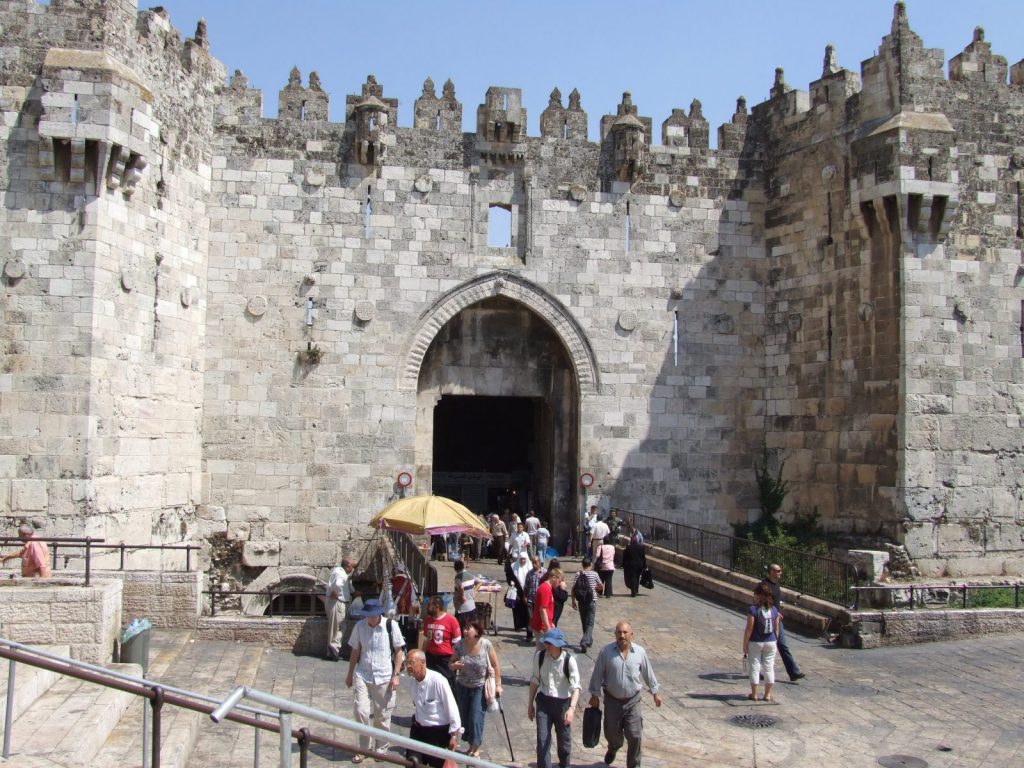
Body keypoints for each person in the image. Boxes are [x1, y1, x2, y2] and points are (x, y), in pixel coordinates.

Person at [587, 621, 662, 768]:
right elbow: (597, 674)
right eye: (619, 632)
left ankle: (633, 765)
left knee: (635, 735)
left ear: (631, 635)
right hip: (612, 701)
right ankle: (614, 747)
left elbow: (648, 673)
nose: (622, 635)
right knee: (611, 733)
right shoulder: (606, 652)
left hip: (632, 701)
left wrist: (655, 692)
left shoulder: (640, 652)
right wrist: (595, 694)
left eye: (625, 632)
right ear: (615, 634)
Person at [345, 599, 406, 762]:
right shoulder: (360, 627)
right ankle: (364, 748)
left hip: (384, 675)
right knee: (361, 711)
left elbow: (399, 651)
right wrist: (350, 673)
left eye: (373, 615)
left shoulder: (391, 626)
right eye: (369, 615)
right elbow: (355, 651)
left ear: (379, 614)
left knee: (382, 715)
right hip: (363, 673)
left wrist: (396, 674)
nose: (371, 618)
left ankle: (381, 748)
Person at [528, 628, 581, 768]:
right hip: (543, 702)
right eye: (546, 643)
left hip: (563, 704)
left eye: (550, 643)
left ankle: (564, 765)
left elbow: (576, 687)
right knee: (542, 739)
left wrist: (571, 709)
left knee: (564, 742)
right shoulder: (539, 657)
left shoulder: (569, 661)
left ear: (558, 645)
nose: (547, 646)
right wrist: (530, 704)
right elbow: (534, 680)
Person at [449, 618, 502, 758]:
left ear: (477, 630)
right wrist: (454, 666)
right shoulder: (459, 645)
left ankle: (476, 747)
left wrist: (498, 685)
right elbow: (451, 663)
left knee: (476, 716)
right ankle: (470, 745)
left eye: (469, 628)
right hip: (462, 686)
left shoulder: (486, 645)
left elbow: (495, 665)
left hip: (479, 686)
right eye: (465, 628)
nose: (465, 631)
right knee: (465, 717)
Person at [404, 649, 462, 768]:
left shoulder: (438, 681)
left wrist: (454, 736)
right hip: (418, 730)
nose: (408, 667)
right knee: (412, 762)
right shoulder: (412, 680)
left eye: (411, 663)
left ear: (422, 663)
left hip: (438, 733)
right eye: (407, 663)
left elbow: (452, 709)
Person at [759, 564, 805, 681]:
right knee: (764, 645)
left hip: (777, 620)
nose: (780, 573)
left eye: (780, 570)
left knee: (782, 645)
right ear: (771, 572)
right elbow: (760, 601)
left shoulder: (776, 584)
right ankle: (757, 670)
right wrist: (773, 612)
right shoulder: (764, 585)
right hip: (768, 619)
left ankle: (793, 672)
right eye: (778, 571)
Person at [742, 583, 780, 702]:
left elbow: (749, 628)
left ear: (758, 595)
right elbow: (776, 628)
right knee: (769, 667)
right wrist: (775, 640)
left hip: (755, 641)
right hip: (771, 641)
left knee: (755, 667)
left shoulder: (753, 609)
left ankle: (754, 694)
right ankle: (767, 694)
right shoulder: (774, 609)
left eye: (755, 594)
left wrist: (745, 644)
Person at [421, 596, 460, 690]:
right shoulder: (428, 620)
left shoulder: (451, 620)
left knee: (446, 686)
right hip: (431, 657)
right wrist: (421, 656)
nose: (427, 607)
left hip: (445, 660)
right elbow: (426, 641)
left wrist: (454, 661)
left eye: (429, 605)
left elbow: (457, 645)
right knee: (430, 684)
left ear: (437, 606)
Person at [325, 556, 356, 660]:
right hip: (338, 603)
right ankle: (332, 650)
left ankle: (334, 648)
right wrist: (335, 592)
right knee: (336, 628)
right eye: (352, 567)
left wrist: (354, 592)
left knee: (341, 626)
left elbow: (347, 587)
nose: (353, 569)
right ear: (348, 566)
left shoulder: (343, 573)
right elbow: (338, 584)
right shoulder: (340, 573)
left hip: (341, 602)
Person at [571, 557, 602, 653]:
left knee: (584, 622)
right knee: (590, 623)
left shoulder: (578, 574)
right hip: (591, 600)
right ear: (590, 565)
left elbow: (573, 588)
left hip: (581, 601)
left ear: (582, 565)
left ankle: (589, 640)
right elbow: (601, 585)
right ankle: (585, 641)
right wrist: (595, 589)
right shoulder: (595, 574)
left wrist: (573, 601)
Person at [531, 567, 563, 642]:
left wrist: (550, 623)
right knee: (544, 648)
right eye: (559, 581)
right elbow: (542, 610)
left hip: (543, 625)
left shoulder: (547, 587)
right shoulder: (545, 589)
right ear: (554, 578)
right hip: (542, 627)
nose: (559, 583)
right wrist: (548, 628)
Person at [507, 552, 532, 638]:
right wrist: (510, 582)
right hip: (517, 591)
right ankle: (518, 625)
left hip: (527, 591)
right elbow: (509, 576)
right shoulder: (513, 566)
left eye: (524, 559)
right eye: (521, 559)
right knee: (517, 609)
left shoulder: (530, 567)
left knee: (527, 610)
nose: (523, 561)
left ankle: (528, 626)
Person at [453, 559, 478, 630]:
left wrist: (462, 596)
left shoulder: (457, 578)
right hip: (472, 607)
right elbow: (480, 582)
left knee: (462, 628)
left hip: (462, 609)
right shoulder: (471, 575)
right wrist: (474, 591)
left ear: (455, 568)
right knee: (471, 628)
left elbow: (461, 587)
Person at [544, 557, 570, 626]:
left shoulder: (546, 574)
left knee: (552, 620)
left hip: (551, 600)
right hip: (557, 602)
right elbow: (563, 592)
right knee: (554, 621)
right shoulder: (559, 574)